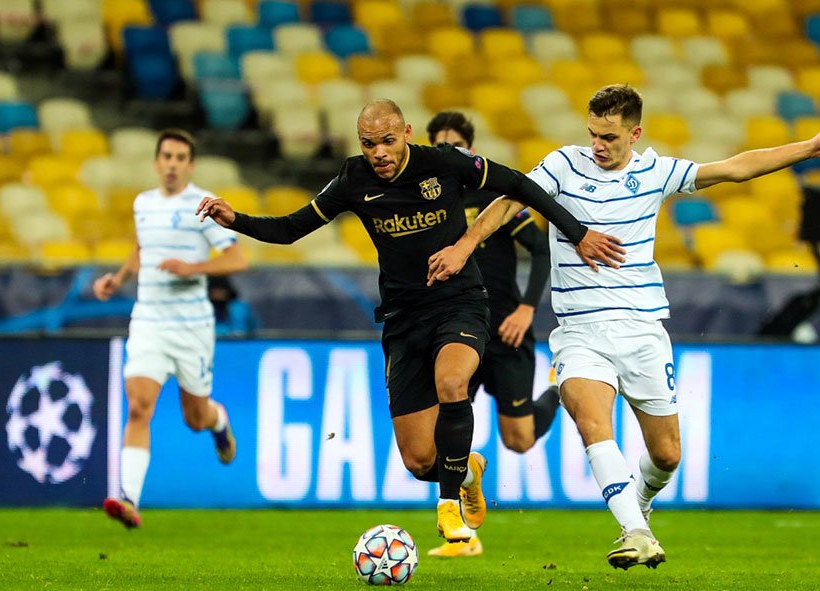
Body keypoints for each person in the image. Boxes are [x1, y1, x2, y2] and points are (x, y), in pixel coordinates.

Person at [428, 84, 820, 568]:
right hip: (580, 331)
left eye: (608, 136)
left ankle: (642, 504)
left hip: (643, 330)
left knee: (667, 454)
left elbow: (736, 168)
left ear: (635, 133)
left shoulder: (657, 172)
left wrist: (810, 148)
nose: (597, 145)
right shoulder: (564, 165)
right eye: (592, 134)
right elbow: (506, 202)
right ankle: (635, 531)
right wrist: (463, 246)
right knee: (593, 426)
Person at [196, 99, 625, 544]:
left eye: (387, 140)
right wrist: (236, 220)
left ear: (406, 132)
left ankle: (448, 508)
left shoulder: (442, 163)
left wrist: (579, 234)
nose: (378, 152)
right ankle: (467, 471)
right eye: (368, 144)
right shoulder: (352, 178)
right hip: (403, 319)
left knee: (454, 384)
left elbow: (519, 184)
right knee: (420, 460)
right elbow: (290, 229)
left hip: (459, 303)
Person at [94, 129, 249, 528]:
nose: (172, 163)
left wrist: (192, 268)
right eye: (167, 156)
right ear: (156, 162)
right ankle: (128, 498)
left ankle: (218, 422)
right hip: (148, 319)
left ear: (190, 165)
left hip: (191, 327)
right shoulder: (143, 204)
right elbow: (143, 246)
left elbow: (238, 258)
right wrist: (119, 277)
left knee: (194, 417)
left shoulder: (202, 205)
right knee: (140, 405)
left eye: (181, 157)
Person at [425, 111, 561, 558]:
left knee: (518, 440)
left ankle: (558, 388)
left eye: (456, 146)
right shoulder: (424, 202)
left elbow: (540, 249)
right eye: (439, 145)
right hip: (459, 329)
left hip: (505, 329)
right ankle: (463, 536)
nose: (448, 153)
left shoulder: (494, 196)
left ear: (471, 149)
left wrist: (526, 308)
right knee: (437, 437)